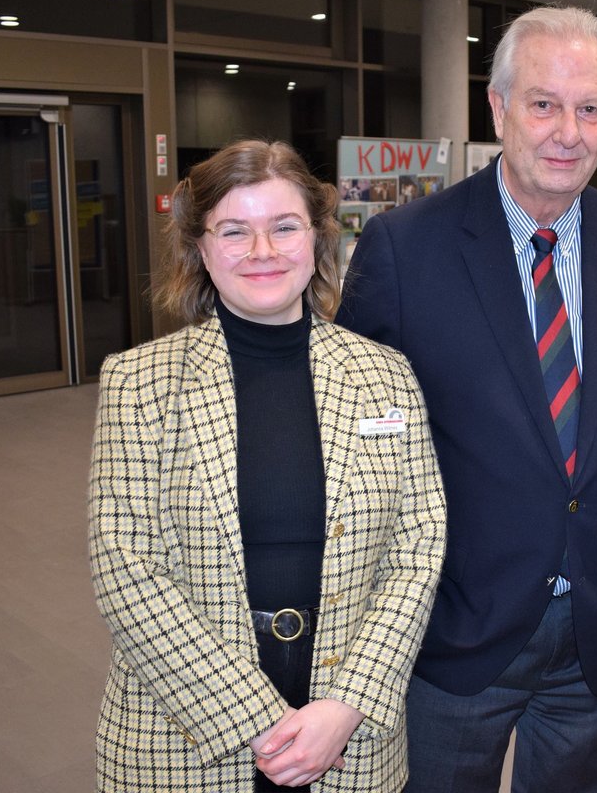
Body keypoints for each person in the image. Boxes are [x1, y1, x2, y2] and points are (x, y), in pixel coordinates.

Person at [336, 5, 597, 793]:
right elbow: (359, 451)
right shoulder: (405, 249)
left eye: (590, 108)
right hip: (454, 633)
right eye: (543, 103)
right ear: (496, 108)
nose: (568, 130)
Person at [88, 139, 446, 793]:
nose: (263, 252)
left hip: (349, 729)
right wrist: (255, 719)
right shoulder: (138, 384)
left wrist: (345, 706)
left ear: (317, 239)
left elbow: (418, 547)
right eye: (234, 231)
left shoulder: (386, 377)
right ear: (199, 247)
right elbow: (124, 564)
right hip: (183, 729)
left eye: (284, 227)